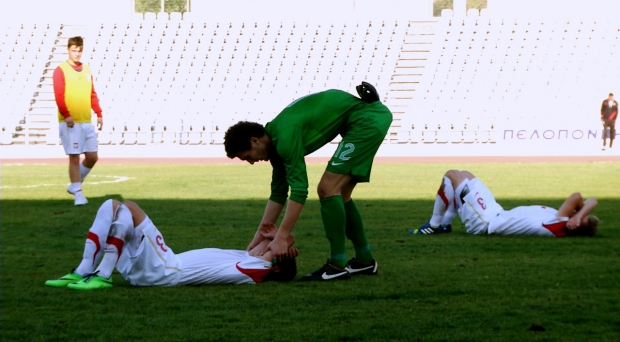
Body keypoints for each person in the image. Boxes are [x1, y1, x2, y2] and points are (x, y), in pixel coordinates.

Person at [223, 82, 392, 281]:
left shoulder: (284, 138)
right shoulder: (275, 141)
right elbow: (278, 193)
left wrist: (282, 237)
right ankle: (365, 261)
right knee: (341, 194)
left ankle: (337, 265)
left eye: (248, 156)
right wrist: (258, 237)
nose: (251, 162)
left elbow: (299, 190)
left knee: (327, 189)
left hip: (367, 119)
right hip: (365, 117)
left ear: (255, 141)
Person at [45, 199, 298, 290]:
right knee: (112, 206)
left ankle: (103, 275)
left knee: (130, 208)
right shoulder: (248, 259)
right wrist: (276, 239)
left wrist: (285, 242)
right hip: (161, 268)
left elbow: (277, 249)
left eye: (276, 253)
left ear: (274, 265)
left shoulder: (257, 271)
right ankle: (84, 269)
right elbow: (267, 247)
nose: (269, 248)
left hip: (166, 270)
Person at [413, 170, 599, 237]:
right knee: (466, 174)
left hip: (486, 223)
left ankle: (434, 225)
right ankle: (445, 225)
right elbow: (591, 201)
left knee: (452, 175)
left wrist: (578, 216)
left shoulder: (559, 225)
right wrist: (580, 215)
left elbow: (577, 196)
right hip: (497, 212)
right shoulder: (560, 216)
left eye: (579, 221)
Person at [53, 36, 103, 206]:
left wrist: (99, 112)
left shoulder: (87, 70)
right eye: (74, 50)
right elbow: (59, 96)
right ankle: (78, 194)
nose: (77, 53)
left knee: (92, 157)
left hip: (86, 121)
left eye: (79, 50)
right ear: (68, 49)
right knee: (74, 157)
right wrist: (66, 115)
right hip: (71, 122)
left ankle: (74, 185)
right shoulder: (60, 70)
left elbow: (92, 93)